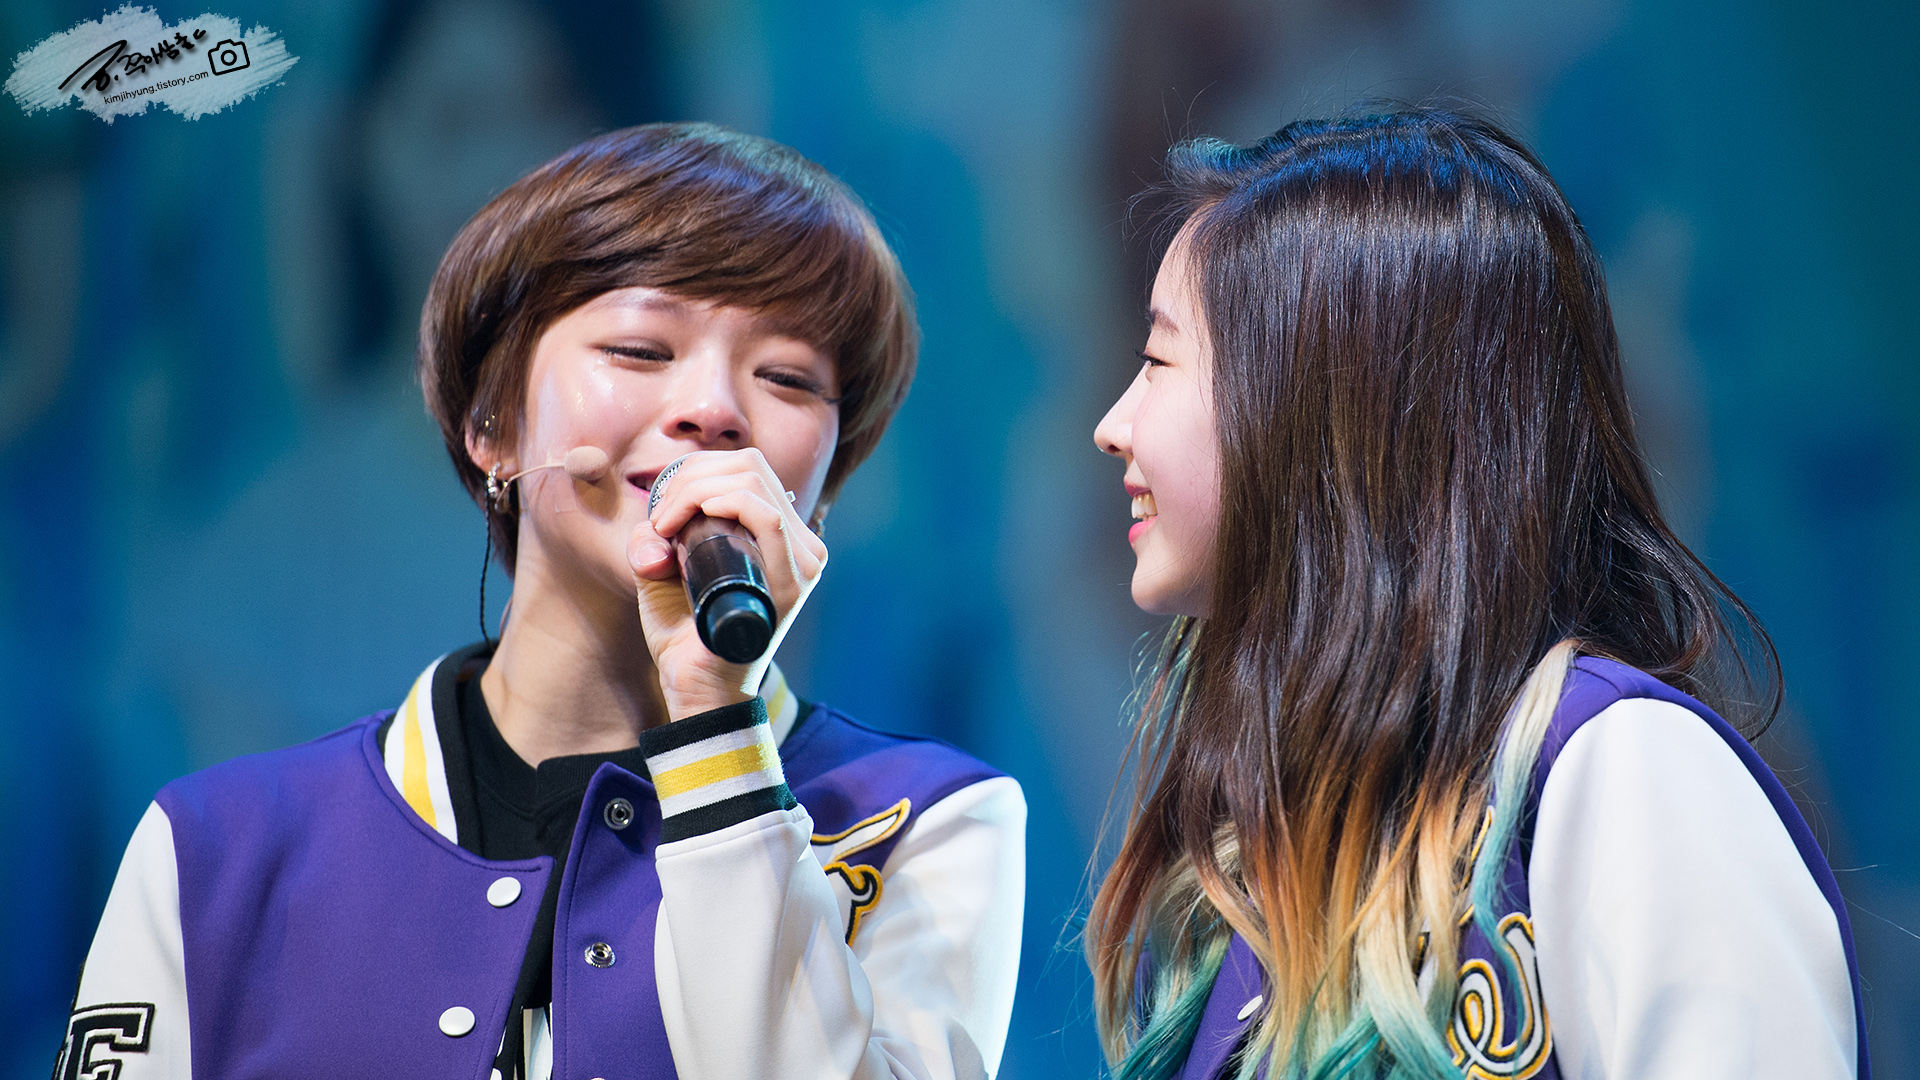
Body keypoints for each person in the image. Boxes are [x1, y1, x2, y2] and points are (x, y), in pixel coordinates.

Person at [61, 123, 1025, 1080]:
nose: (715, 409)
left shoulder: (924, 823)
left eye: (786, 377)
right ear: (492, 427)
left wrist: (716, 728)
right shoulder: (219, 847)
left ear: (825, 486)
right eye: (641, 349)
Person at [1087, 108, 1867, 1080]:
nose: (1113, 425)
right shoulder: (1231, 897)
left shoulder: (1616, 769)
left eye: (1158, 361)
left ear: (1324, 408)